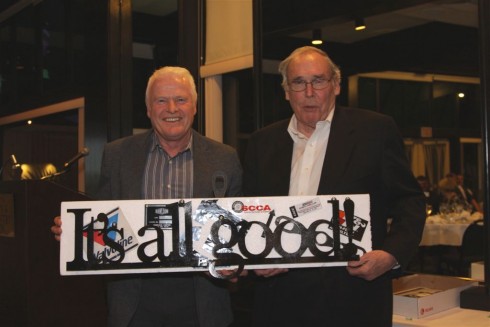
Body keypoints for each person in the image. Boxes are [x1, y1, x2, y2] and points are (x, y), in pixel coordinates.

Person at [243, 46, 426, 327]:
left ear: (336, 85)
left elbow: (410, 201)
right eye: (298, 82)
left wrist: (391, 255)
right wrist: (255, 259)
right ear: (286, 91)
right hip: (278, 300)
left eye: (318, 80)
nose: (309, 91)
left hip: (353, 299)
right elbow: (251, 212)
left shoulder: (375, 131)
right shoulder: (262, 143)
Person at [51, 66, 243, 327]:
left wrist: (235, 265)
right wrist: (76, 234)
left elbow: (237, 232)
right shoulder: (117, 155)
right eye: (161, 100)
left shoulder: (224, 157)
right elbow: (103, 222)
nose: (172, 109)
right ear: (149, 110)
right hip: (134, 305)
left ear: (195, 107)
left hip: (203, 306)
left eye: (181, 100)